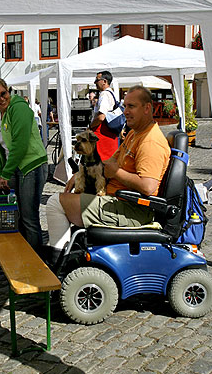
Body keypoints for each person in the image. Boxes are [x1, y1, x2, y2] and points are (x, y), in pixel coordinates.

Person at [45, 85, 171, 266]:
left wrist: (117, 173)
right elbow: (109, 162)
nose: (125, 112)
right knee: (69, 197)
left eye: (131, 106)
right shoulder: (135, 134)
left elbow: (149, 187)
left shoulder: (150, 142)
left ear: (147, 108)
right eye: (125, 106)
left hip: (131, 210)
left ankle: (57, 262)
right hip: (118, 201)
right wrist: (82, 174)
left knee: (55, 203)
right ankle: (66, 251)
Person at [0, 76, 48, 253]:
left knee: (29, 217)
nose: (2, 99)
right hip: (14, 168)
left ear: (7, 89)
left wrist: (5, 174)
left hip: (31, 165)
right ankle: (23, 254)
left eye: (3, 93)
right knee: (16, 215)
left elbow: (20, 145)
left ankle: (37, 260)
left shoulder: (19, 108)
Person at [89, 71, 120, 160]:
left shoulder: (104, 94)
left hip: (103, 133)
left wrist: (90, 126)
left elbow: (101, 117)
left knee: (102, 162)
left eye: (97, 80)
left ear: (104, 81)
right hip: (109, 134)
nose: (95, 82)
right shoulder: (111, 93)